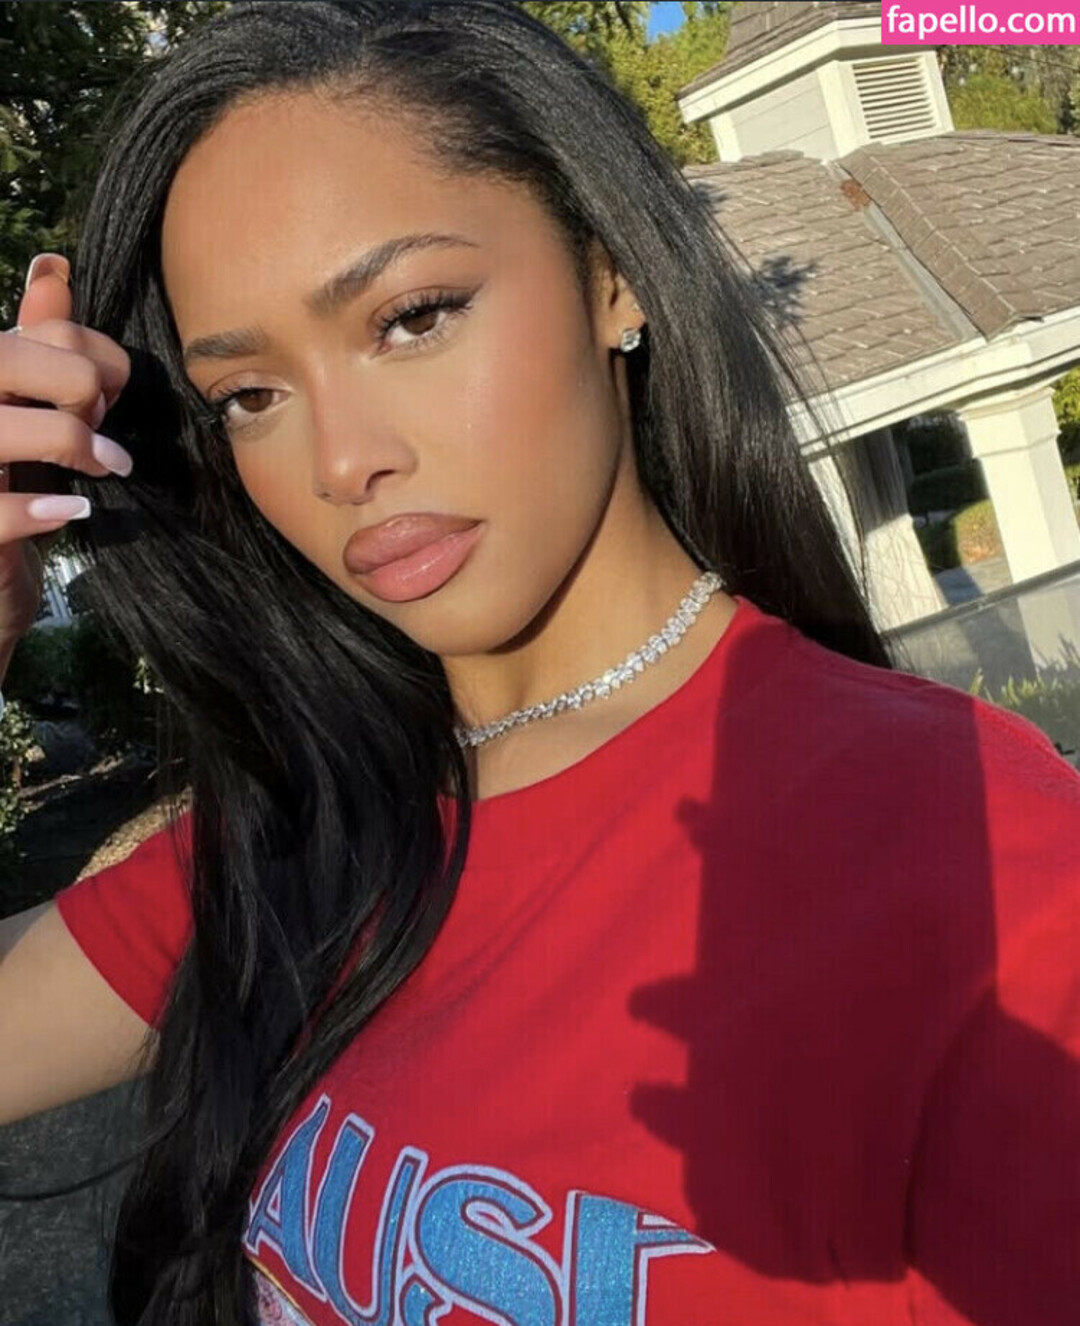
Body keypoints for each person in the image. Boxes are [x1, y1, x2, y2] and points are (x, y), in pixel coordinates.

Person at [0, 3, 1076, 1324]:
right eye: (251, 395)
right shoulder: (304, 827)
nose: (344, 461)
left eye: (414, 317)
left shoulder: (973, 852)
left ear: (611, 270)